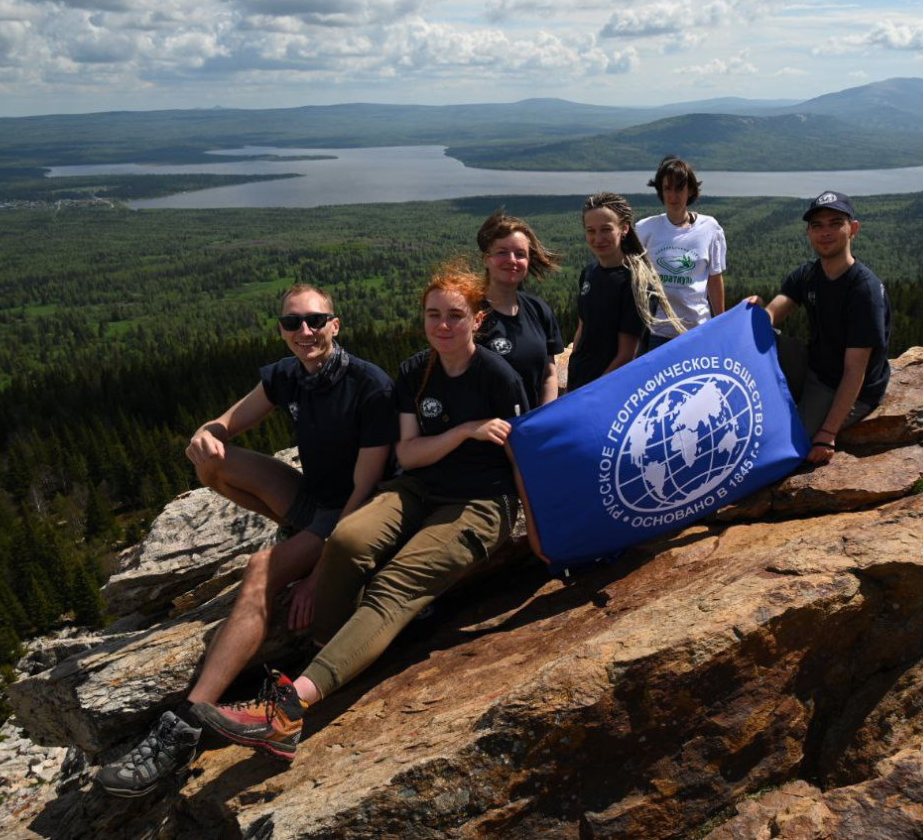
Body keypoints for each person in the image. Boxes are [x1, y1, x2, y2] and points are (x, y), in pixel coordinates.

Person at [186, 265, 528, 761]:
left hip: (479, 500)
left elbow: (522, 455)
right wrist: (462, 431)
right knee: (346, 540)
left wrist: (538, 531)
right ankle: (330, 654)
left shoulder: (498, 377)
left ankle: (288, 709)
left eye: (456, 315)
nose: (444, 325)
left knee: (395, 584)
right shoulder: (416, 371)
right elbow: (408, 456)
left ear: (477, 319)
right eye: (434, 314)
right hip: (418, 486)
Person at [95, 283, 397, 796]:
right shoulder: (287, 376)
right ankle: (296, 538)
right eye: (292, 323)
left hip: (351, 510)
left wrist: (317, 573)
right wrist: (207, 431)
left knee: (261, 567)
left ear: (336, 324)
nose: (305, 331)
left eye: (315, 320)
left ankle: (185, 727)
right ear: (282, 330)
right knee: (210, 459)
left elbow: (366, 491)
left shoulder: (370, 385)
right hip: (311, 500)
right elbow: (226, 424)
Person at [749, 191, 891, 467]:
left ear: (854, 229)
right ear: (809, 233)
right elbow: (774, 314)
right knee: (764, 338)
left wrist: (827, 433)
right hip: (815, 365)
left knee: (786, 446)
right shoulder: (808, 275)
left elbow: (854, 371)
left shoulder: (864, 290)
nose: (825, 232)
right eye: (817, 226)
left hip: (844, 387)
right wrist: (757, 311)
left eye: (835, 223)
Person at [567, 192, 681, 390]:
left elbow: (627, 355)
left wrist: (591, 394)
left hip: (610, 389)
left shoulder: (637, 282)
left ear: (624, 229)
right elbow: (582, 329)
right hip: (581, 383)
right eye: (590, 231)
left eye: (606, 230)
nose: (597, 238)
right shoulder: (590, 272)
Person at [635, 155, 727, 352]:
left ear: (691, 190)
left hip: (698, 329)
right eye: (667, 188)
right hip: (658, 332)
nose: (673, 195)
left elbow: (714, 279)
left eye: (679, 188)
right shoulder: (645, 229)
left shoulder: (710, 228)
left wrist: (721, 323)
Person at [475, 209, 565, 407]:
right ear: (486, 259)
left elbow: (549, 374)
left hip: (530, 429)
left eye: (520, 254)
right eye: (502, 252)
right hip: (484, 431)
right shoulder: (468, 313)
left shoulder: (539, 310)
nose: (512, 260)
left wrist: (542, 417)